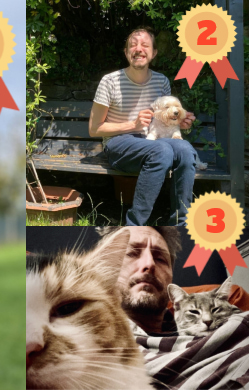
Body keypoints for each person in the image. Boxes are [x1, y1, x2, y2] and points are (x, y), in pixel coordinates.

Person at [98, 227, 249, 388]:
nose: (149, 263)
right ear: (104, 268)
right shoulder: (92, 350)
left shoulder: (233, 321)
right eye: (132, 253)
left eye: (161, 259)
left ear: (170, 275)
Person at [89, 27, 198, 226]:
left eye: (145, 45)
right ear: (126, 52)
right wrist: (133, 124)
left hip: (154, 140)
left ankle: (182, 225)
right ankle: (134, 226)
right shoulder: (110, 81)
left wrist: (179, 121)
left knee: (185, 150)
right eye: (133, 45)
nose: (139, 49)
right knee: (162, 151)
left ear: (153, 53)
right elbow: (94, 129)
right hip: (119, 144)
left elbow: (164, 118)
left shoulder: (161, 81)